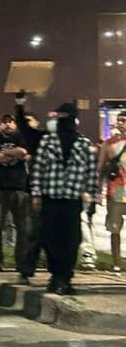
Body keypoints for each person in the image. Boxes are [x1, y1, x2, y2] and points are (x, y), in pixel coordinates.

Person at [30, 103, 97, 295]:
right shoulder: (48, 142)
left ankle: (64, 276)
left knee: (71, 239)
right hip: (51, 196)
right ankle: (56, 274)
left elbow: (90, 172)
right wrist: (36, 193)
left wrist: (91, 196)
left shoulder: (83, 143)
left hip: (72, 198)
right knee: (51, 239)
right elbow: (38, 169)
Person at [0, 113, 33, 274]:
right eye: (4, 122)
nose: (8, 124)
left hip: (19, 187)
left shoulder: (21, 137)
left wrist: (5, 155)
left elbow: (22, 151)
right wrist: (13, 155)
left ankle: (22, 262)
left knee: (23, 228)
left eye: (11, 121)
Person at [100, 111, 126, 274]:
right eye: (119, 120)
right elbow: (100, 167)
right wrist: (97, 189)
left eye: (124, 120)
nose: (121, 123)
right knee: (114, 228)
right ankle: (117, 263)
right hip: (116, 190)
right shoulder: (109, 143)